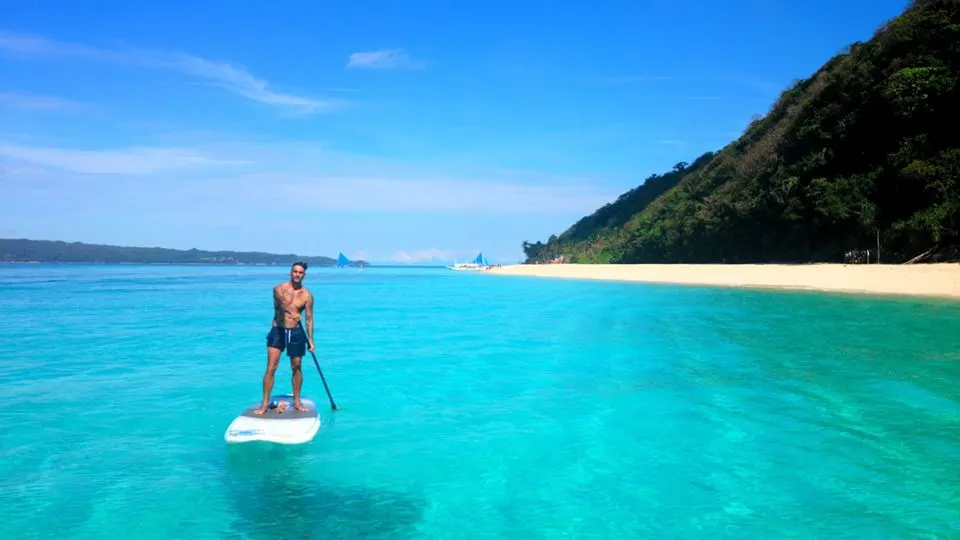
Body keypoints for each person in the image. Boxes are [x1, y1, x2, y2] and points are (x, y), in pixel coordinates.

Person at [253, 261, 315, 414]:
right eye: (295, 271)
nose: (297, 275)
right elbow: (283, 303)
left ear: (304, 275)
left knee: (297, 366)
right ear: (290, 272)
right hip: (278, 330)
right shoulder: (279, 288)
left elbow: (309, 318)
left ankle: (297, 401)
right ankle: (265, 403)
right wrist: (292, 312)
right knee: (271, 367)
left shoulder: (307, 295)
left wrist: (311, 339)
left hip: (296, 332)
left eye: (300, 272)